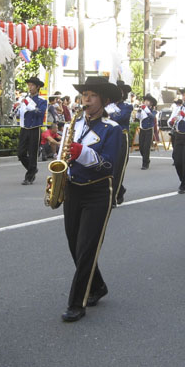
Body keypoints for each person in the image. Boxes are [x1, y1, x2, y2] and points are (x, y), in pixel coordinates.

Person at [59, 76, 122, 322]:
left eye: (92, 95)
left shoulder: (112, 129)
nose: (86, 99)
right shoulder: (71, 126)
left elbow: (108, 165)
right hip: (72, 189)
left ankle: (77, 302)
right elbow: (63, 156)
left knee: (87, 248)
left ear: (104, 101)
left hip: (97, 192)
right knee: (75, 246)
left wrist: (82, 153)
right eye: (84, 94)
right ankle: (98, 286)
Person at [13, 76, 47, 185]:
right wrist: (16, 109)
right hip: (24, 127)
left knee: (33, 153)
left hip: (35, 128)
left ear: (37, 87)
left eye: (32, 85)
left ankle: (29, 177)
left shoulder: (42, 100)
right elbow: (20, 113)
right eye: (29, 85)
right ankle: (32, 169)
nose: (30, 87)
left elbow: (40, 112)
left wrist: (29, 105)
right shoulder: (24, 99)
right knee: (21, 153)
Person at [105, 80, 133, 206]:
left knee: (119, 167)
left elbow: (120, 118)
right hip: (109, 137)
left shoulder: (126, 106)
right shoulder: (107, 105)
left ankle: (113, 198)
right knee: (109, 167)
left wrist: (110, 113)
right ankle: (119, 190)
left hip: (122, 136)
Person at [137, 94, 157, 170]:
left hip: (149, 130)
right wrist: (139, 111)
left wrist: (146, 110)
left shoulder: (153, 111)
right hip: (142, 129)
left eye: (148, 101)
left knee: (146, 147)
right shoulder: (142, 110)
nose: (146, 102)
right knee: (141, 147)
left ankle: (145, 163)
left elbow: (152, 117)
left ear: (151, 103)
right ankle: (145, 158)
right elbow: (138, 118)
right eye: (145, 101)